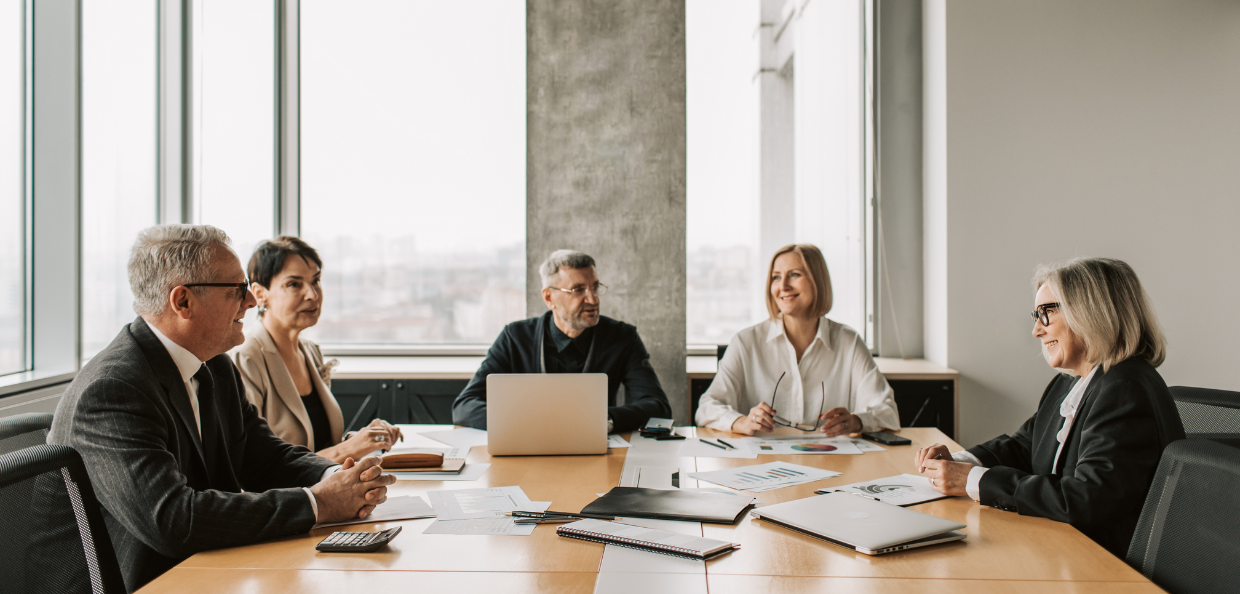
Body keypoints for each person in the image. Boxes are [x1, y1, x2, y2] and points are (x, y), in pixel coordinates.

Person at [48, 225, 395, 592]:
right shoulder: (113, 389)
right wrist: (318, 504)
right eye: (236, 290)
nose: (249, 301)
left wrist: (340, 479)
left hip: (205, 571)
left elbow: (262, 457)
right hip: (146, 582)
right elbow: (174, 521)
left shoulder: (213, 364)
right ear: (182, 302)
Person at [916, 257, 1184, 557]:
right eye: (1036, 314)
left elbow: (1084, 499)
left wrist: (973, 480)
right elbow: (1025, 445)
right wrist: (962, 460)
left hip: (1102, 564)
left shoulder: (1125, 389)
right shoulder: (1072, 382)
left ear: (1090, 313)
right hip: (1060, 547)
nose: (1036, 331)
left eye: (1046, 313)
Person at [452, 249, 673, 433]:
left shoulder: (622, 338)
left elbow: (658, 407)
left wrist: (602, 419)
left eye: (595, 287)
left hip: (597, 452)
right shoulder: (515, 338)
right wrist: (529, 423)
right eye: (578, 290)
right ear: (549, 297)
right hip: (529, 453)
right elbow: (465, 406)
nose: (593, 299)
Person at [696, 243, 900, 436]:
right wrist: (741, 422)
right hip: (763, 463)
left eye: (794, 275)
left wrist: (856, 421)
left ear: (817, 281)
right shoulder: (745, 342)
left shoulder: (849, 342)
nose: (782, 286)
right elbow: (706, 407)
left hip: (832, 462)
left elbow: (888, 411)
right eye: (776, 277)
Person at [233, 236, 403, 463]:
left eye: (316, 281)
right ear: (260, 293)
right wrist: (347, 450)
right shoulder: (245, 358)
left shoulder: (310, 352)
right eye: (294, 284)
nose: (312, 294)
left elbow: (320, 446)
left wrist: (363, 440)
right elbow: (254, 467)